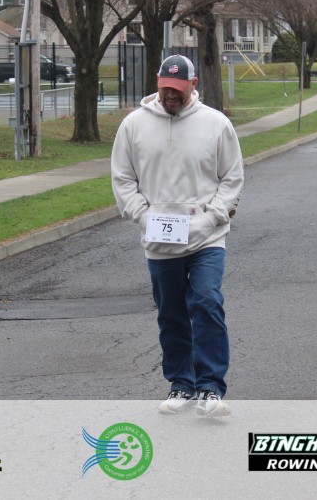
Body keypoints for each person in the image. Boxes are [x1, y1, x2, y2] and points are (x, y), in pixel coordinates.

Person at [111, 55, 244, 418]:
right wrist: (143, 216)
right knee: (171, 313)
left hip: (206, 237)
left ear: (193, 85)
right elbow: (122, 178)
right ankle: (181, 383)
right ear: (157, 85)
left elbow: (232, 177)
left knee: (206, 302)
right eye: (165, 89)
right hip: (160, 239)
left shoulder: (216, 124)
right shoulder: (134, 125)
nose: (171, 96)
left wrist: (211, 217)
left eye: (178, 90)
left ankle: (211, 387)